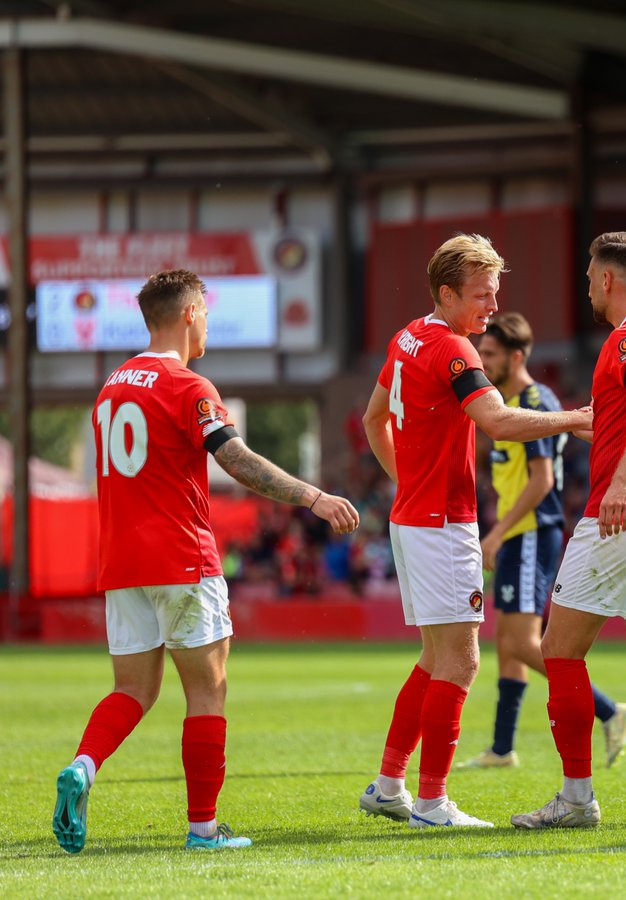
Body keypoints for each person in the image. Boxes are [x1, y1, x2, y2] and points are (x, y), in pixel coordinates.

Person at [52, 269, 361, 854]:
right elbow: (238, 462)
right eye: (208, 314)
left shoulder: (112, 385)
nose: (209, 325)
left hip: (122, 563)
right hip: (181, 557)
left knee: (133, 690)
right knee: (208, 690)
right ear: (191, 313)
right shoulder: (188, 385)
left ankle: (84, 767)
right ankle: (202, 829)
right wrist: (313, 496)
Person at [357, 234, 591, 829]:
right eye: (482, 295)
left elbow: (373, 418)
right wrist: (575, 418)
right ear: (446, 292)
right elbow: (498, 421)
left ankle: (389, 785)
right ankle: (432, 802)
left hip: (413, 516)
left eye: (495, 293)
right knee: (461, 662)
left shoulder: (407, 336)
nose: (492, 306)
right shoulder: (454, 350)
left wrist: (406, 480)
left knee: (435, 659)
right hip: (442, 522)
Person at [511, 231, 626, 830]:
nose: (589, 286)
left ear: (610, 280)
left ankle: (576, 799)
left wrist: (620, 484)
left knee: (558, 650)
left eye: (592, 276)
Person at [459, 312, 626, 771]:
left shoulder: (535, 400)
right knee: (508, 641)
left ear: (516, 356)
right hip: (521, 536)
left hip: (530, 533)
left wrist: (497, 533)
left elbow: (541, 481)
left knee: (520, 642)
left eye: (491, 354)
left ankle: (610, 710)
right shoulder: (507, 401)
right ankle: (502, 748)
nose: (483, 360)